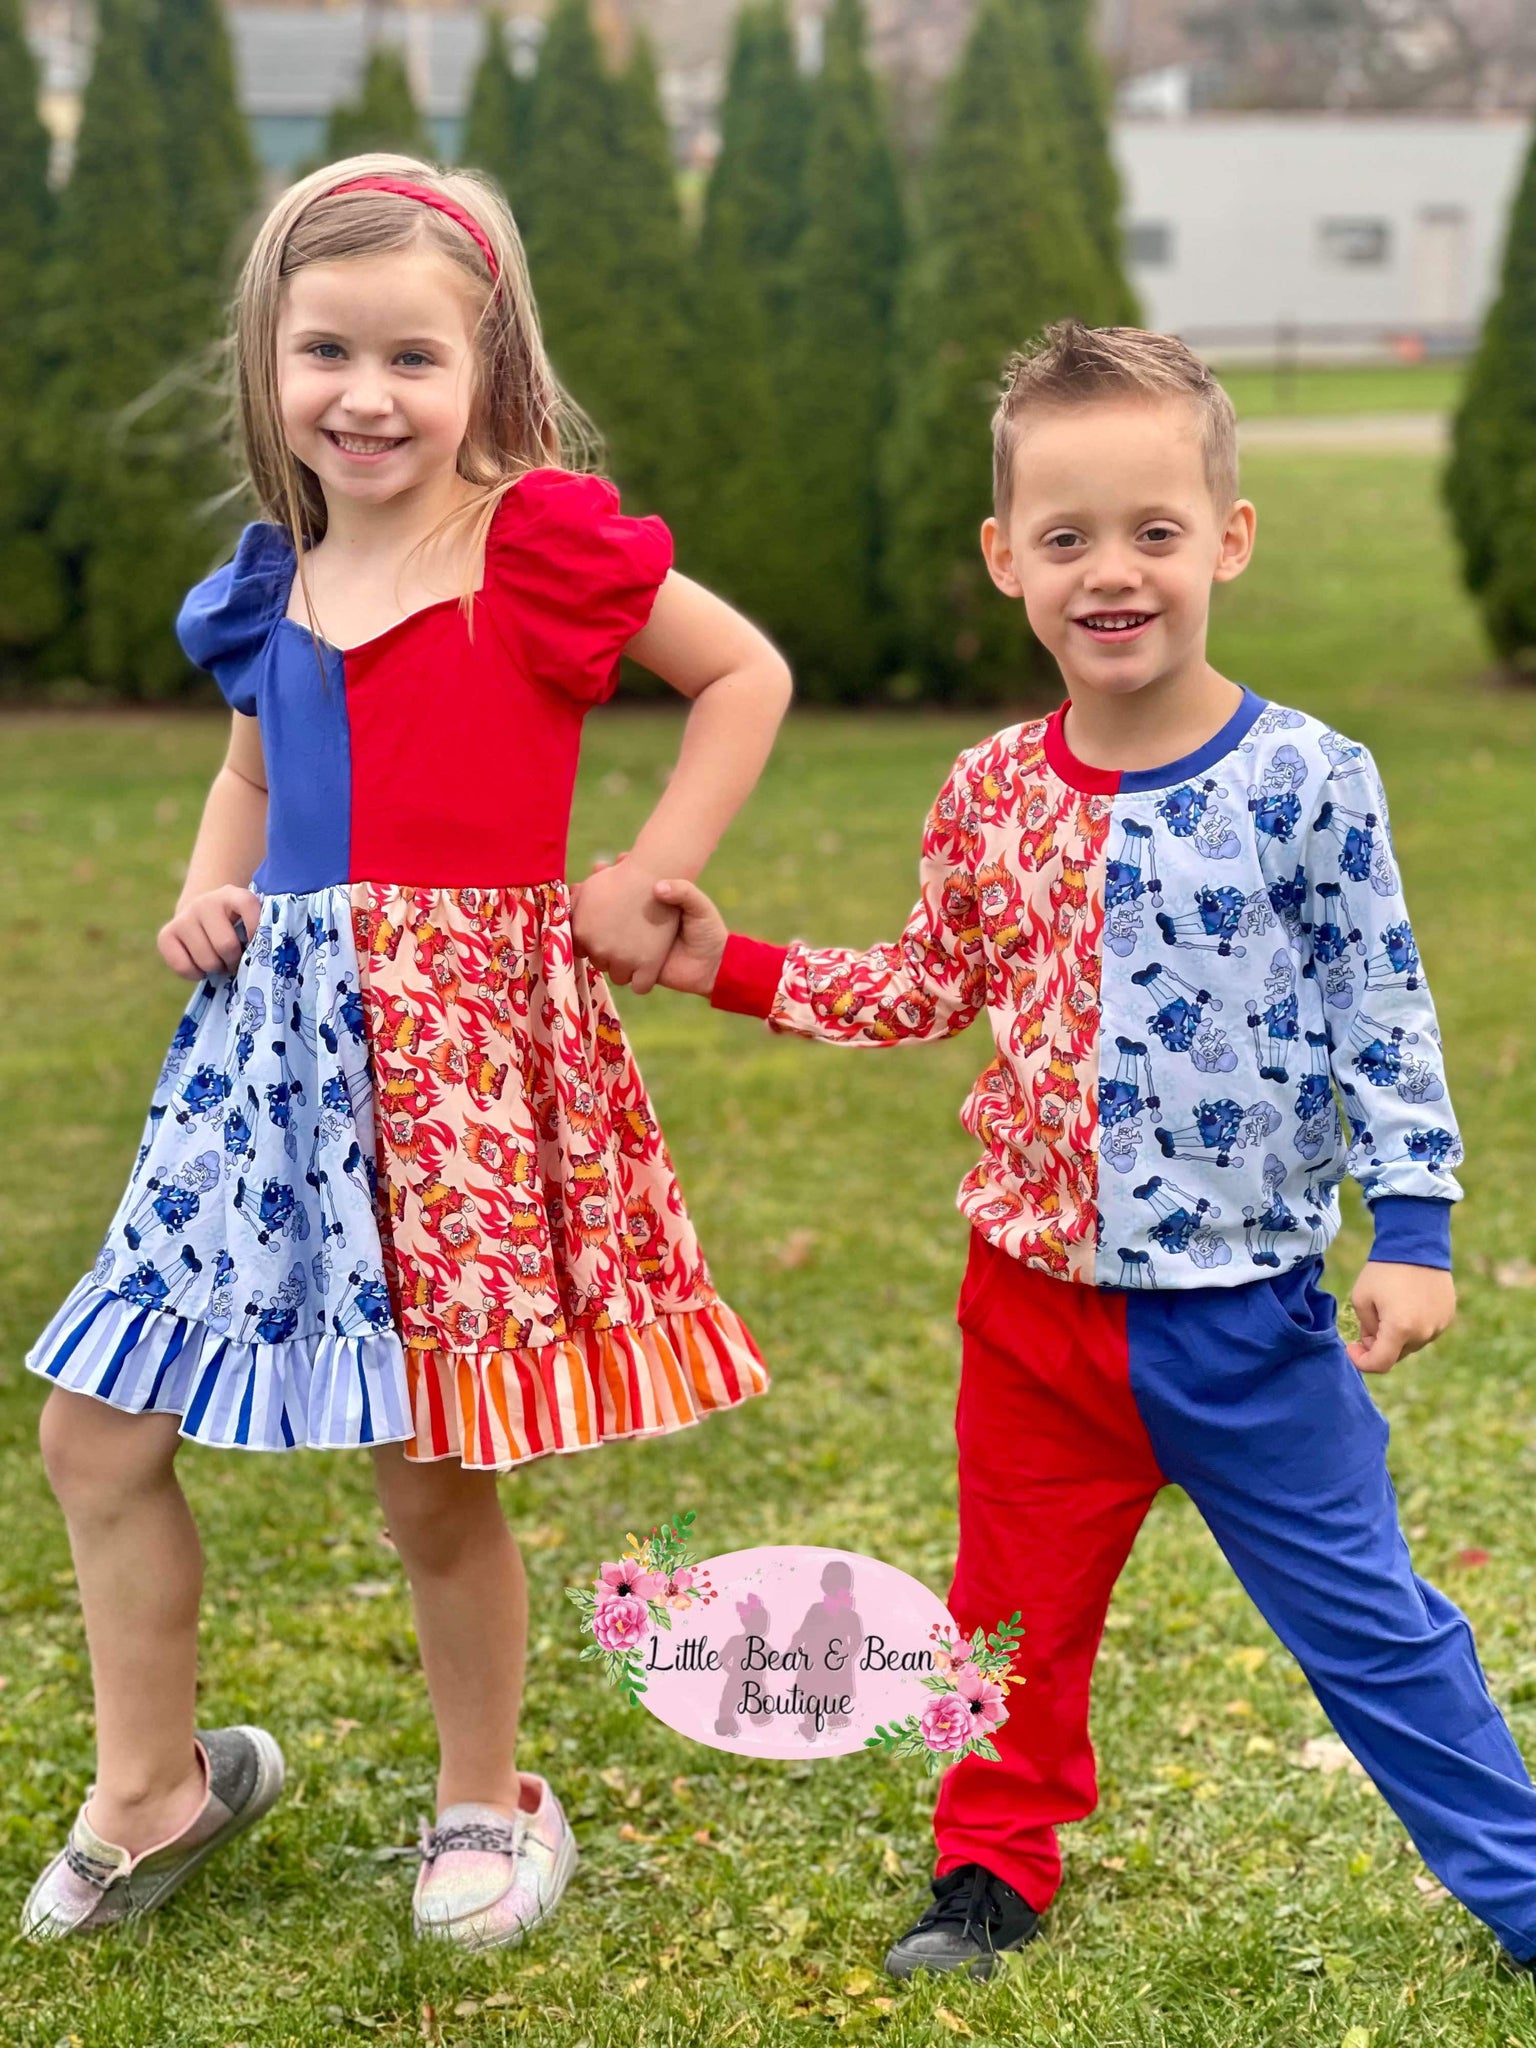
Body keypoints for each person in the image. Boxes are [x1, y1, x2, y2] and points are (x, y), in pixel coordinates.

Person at [643, 322, 1536, 1979]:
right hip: (1035, 1317)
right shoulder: (989, 790)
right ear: (1007, 559)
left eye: (1154, 531)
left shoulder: (1308, 779)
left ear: (1229, 539)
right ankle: (990, 1869)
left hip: (1249, 1327)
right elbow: (925, 986)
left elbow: (1382, 1007)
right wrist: (731, 965)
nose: (1110, 572)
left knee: (1376, 1629)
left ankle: (1524, 1884)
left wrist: (1414, 1225)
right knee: (1012, 1631)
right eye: (1066, 538)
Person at [22, 154, 790, 1949]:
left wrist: (652, 870)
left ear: (484, 368)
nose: (365, 397)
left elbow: (741, 673)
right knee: (92, 1433)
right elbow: (250, 770)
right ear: (269, 360)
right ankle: (154, 1788)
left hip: (457, 1063)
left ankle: (486, 1799)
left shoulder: (533, 545)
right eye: (327, 353)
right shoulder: (270, 582)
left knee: (433, 1464)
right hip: (270, 1067)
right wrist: (205, 890)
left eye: (412, 359)